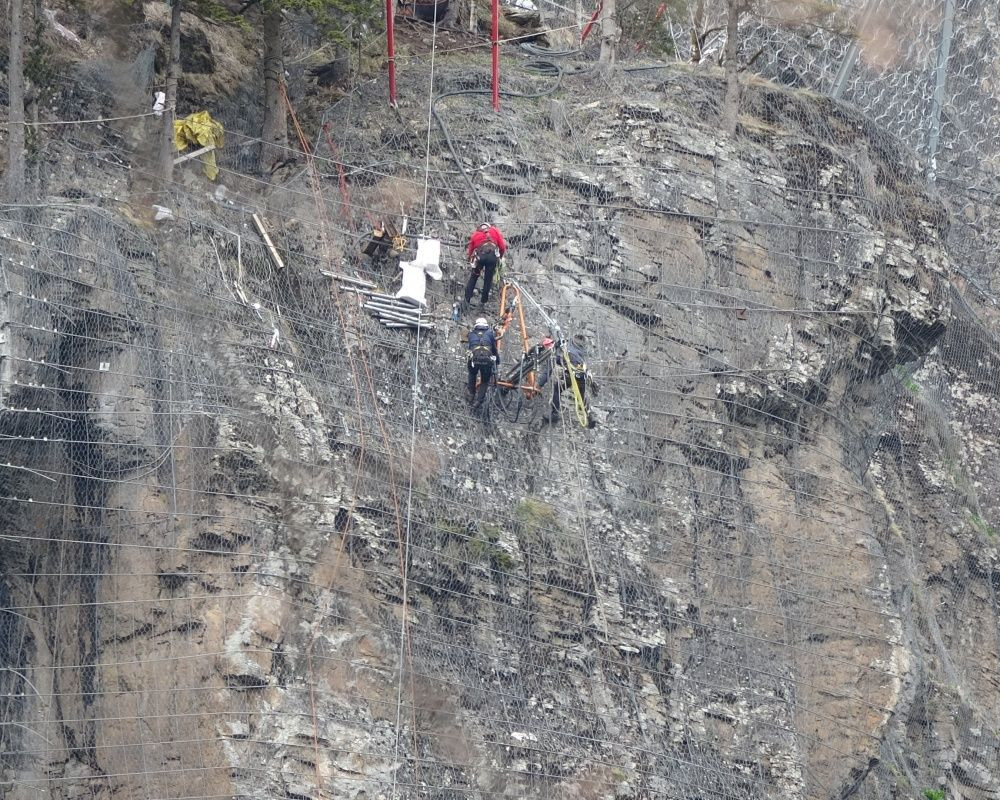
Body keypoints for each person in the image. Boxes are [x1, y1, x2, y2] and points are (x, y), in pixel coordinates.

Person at [537, 335, 593, 425]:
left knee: (557, 388)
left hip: (572, 374)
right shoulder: (581, 351)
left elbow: (554, 366)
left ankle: (554, 414)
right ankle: (590, 417)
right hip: (582, 374)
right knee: (581, 395)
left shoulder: (565, 348)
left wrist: (539, 385)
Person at [464, 223, 507, 307]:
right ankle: (483, 302)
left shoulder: (475, 234)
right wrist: (500, 257)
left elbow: (470, 251)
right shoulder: (494, 231)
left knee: (474, 277)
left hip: (481, 256)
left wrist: (470, 259)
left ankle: (467, 300)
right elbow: (502, 247)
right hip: (492, 257)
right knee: (488, 279)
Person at [466, 317, 500, 410]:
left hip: (474, 358)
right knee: (485, 380)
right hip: (486, 360)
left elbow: (470, 347)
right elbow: (494, 349)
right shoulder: (490, 333)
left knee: (472, 374)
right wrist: (497, 360)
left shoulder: (471, 334)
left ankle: (471, 395)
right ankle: (478, 401)